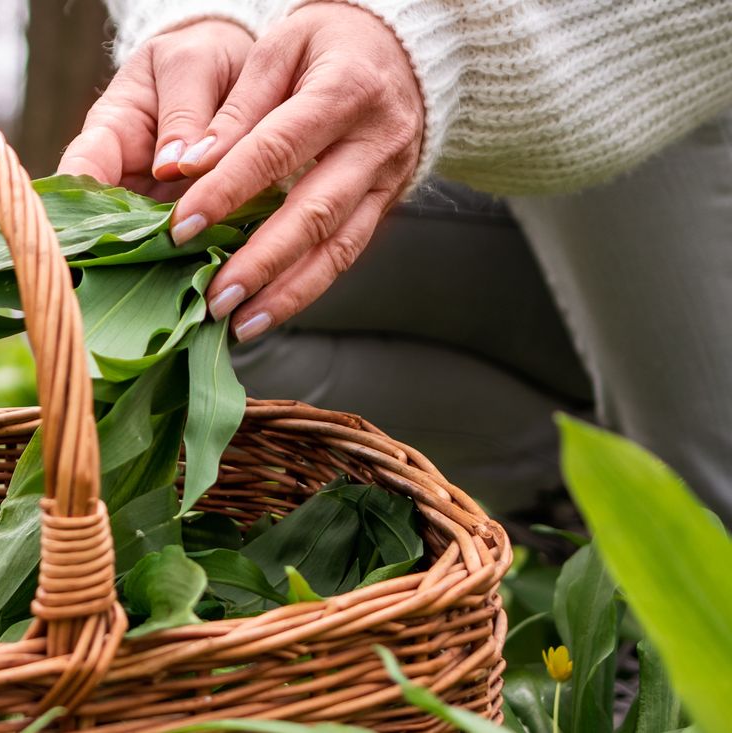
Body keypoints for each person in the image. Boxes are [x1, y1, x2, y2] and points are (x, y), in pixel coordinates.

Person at [58, 0, 732, 519]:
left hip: (658, 80)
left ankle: (668, 558)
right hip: (405, 87)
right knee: (204, 304)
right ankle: (583, 513)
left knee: (705, 493)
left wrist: (435, 38)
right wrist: (215, 23)